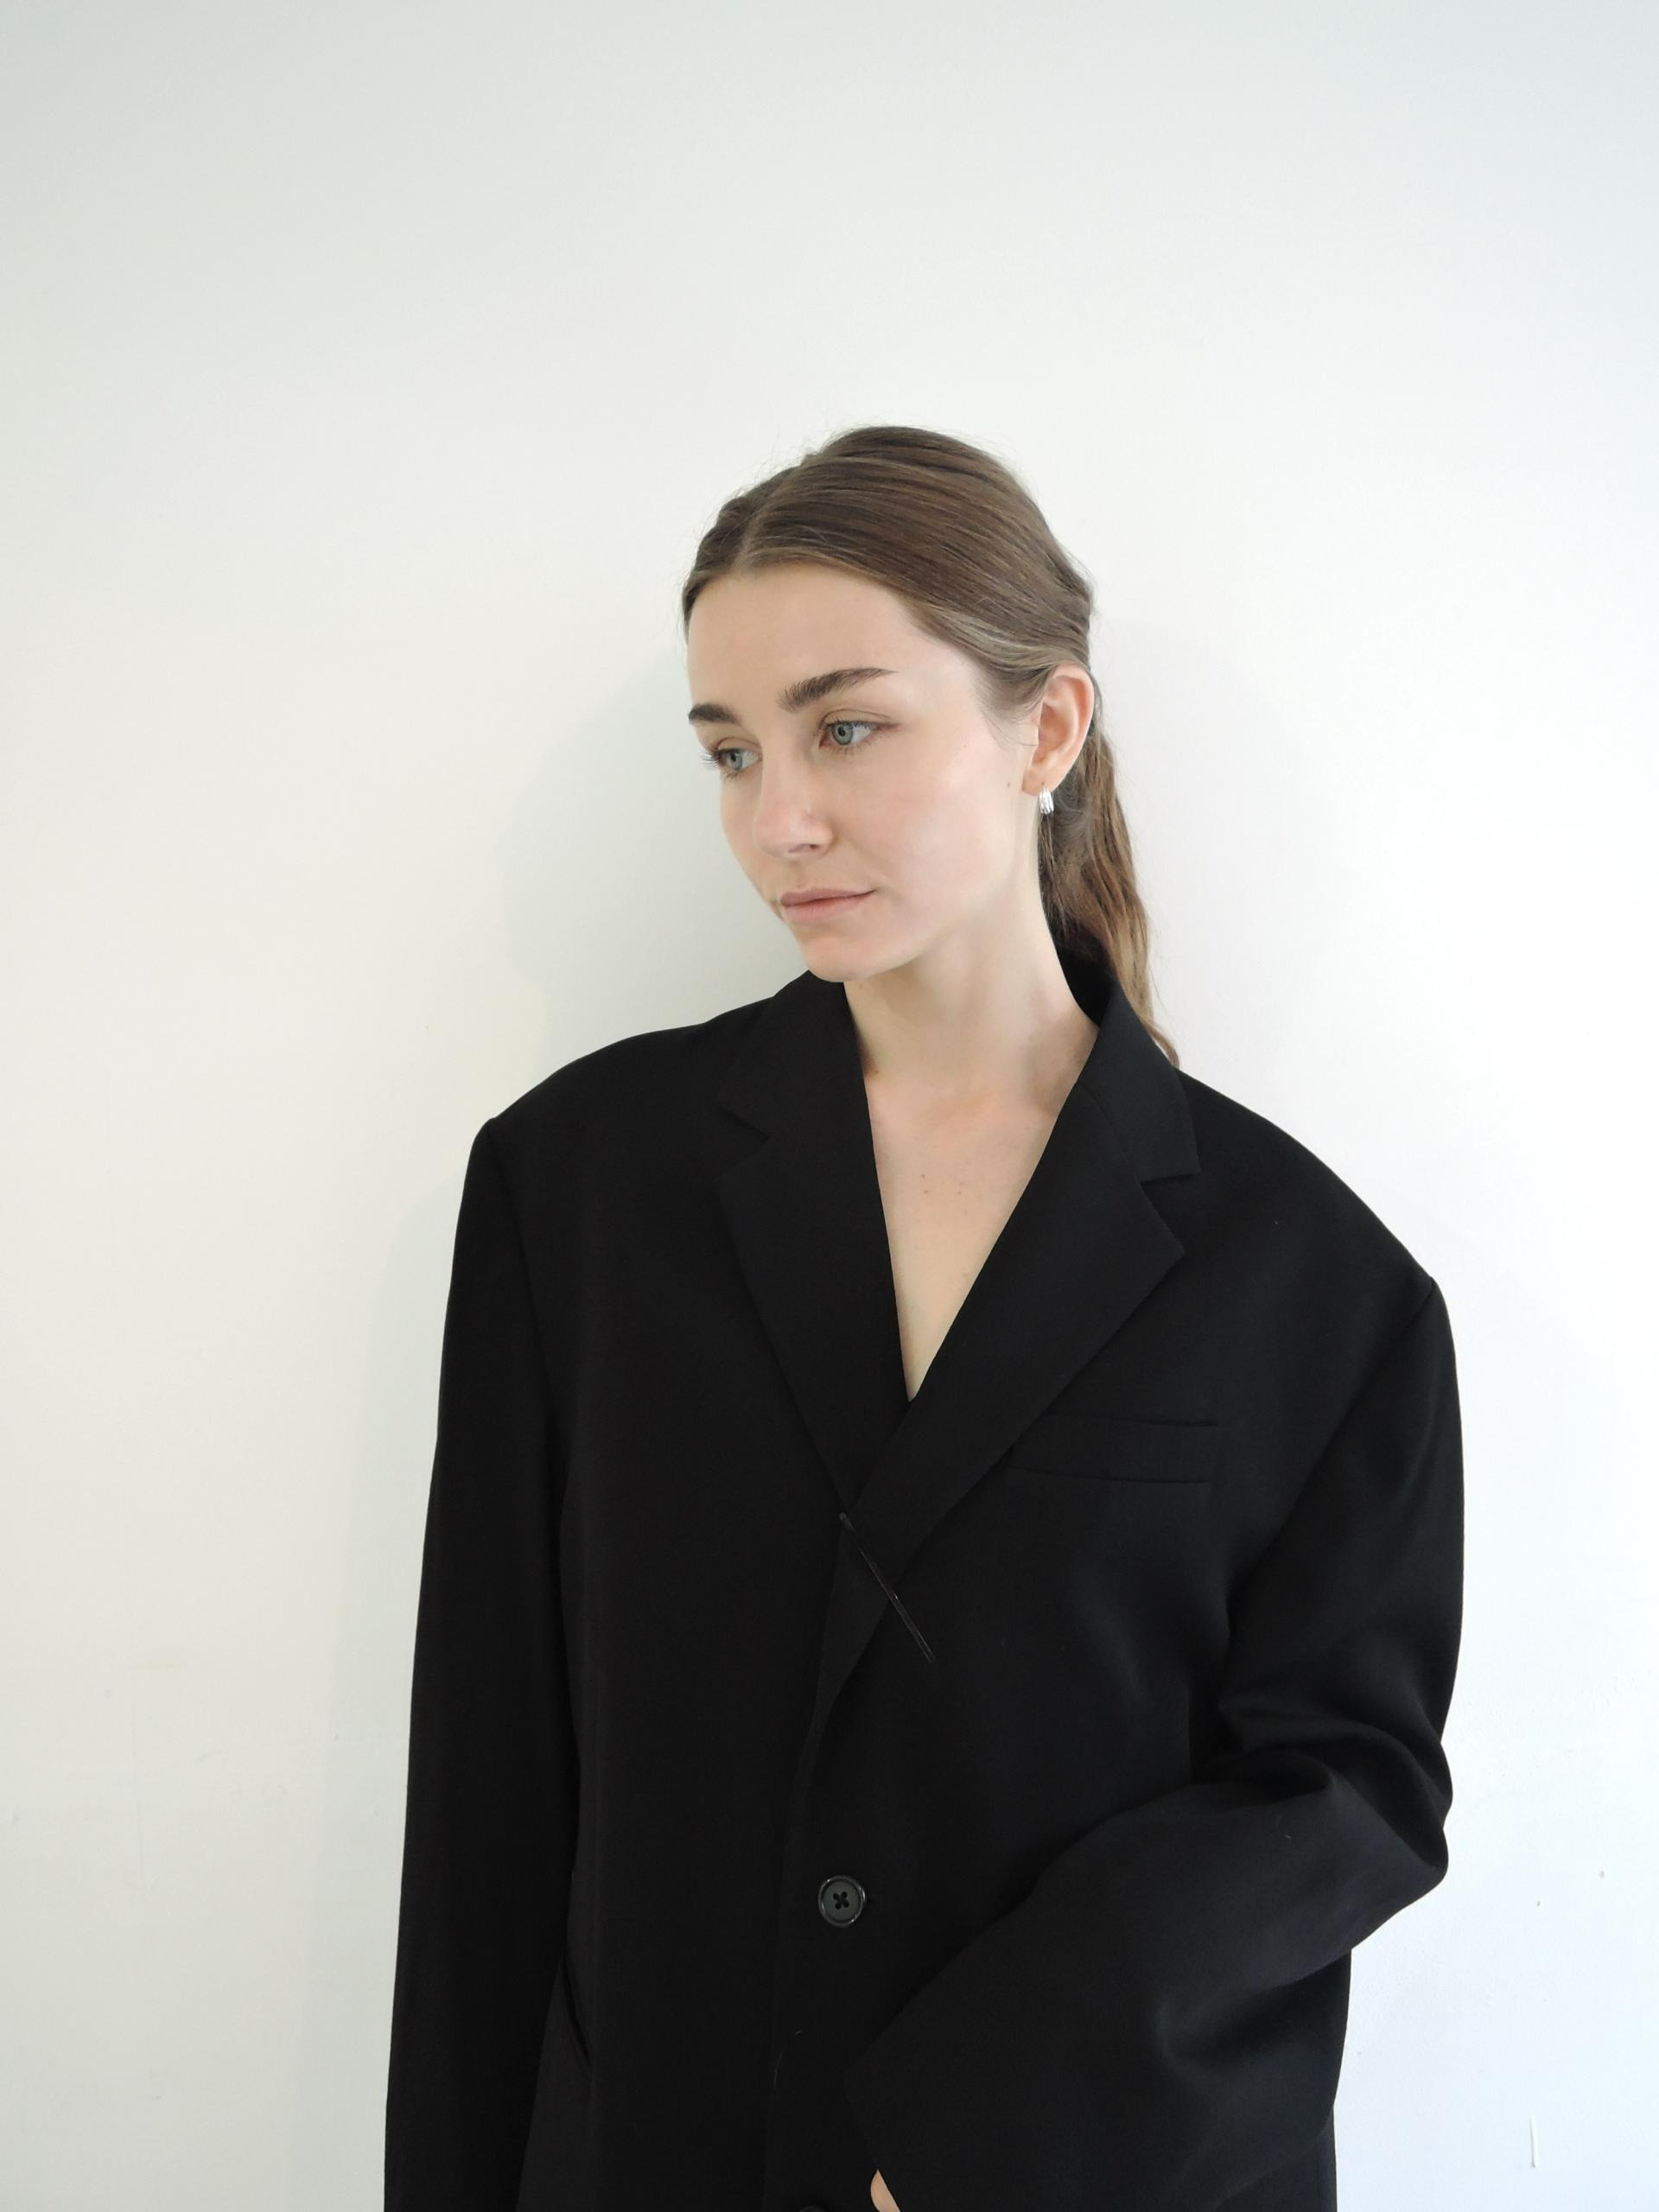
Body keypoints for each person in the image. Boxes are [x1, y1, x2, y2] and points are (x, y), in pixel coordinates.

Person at [384, 424, 1465, 2212]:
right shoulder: (579, 1190)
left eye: (846, 728)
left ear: (1047, 729)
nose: (777, 820)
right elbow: (489, 1793)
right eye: (731, 750)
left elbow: (1348, 1792)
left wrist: (988, 2107)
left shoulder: (1310, 1276)